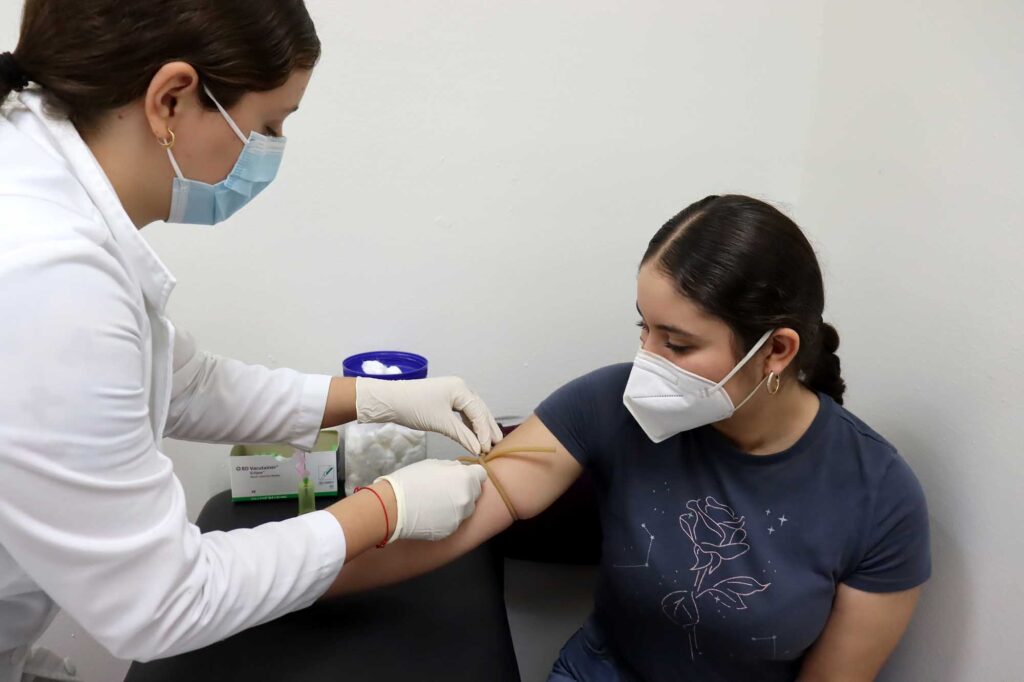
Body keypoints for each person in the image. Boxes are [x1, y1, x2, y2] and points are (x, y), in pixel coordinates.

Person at [0, 2, 502, 681]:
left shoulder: (42, 202)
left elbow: (184, 384)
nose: (270, 151)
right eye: (269, 125)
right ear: (171, 100)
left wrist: (375, 398)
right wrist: (385, 510)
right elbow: (165, 603)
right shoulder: (47, 276)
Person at [328, 195, 932, 681]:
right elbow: (460, 512)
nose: (646, 363)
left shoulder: (877, 497)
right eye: (644, 329)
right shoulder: (608, 404)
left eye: (677, 344)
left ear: (776, 350)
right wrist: (291, 573)